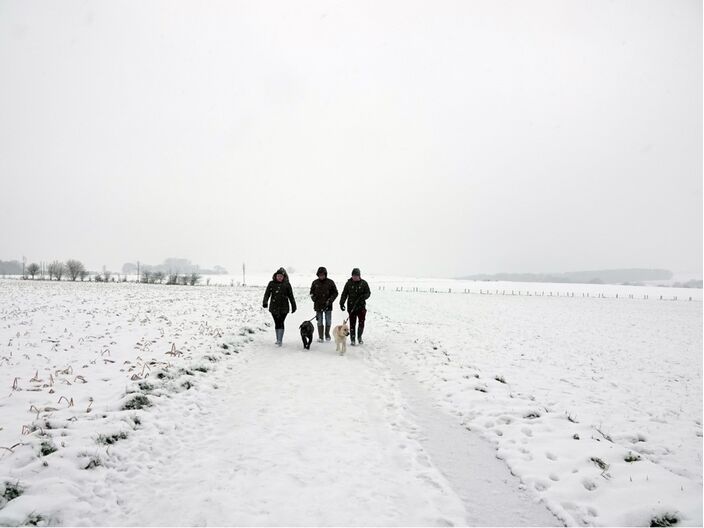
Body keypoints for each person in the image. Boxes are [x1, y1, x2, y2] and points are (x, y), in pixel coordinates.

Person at [262, 267, 296, 346]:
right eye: (278, 276)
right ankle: (278, 339)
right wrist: (265, 302)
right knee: (277, 322)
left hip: (284, 307)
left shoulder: (287, 284)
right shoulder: (271, 283)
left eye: (281, 276)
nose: (279, 277)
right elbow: (267, 294)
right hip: (274, 307)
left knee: (281, 322)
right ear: (275, 276)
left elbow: (291, 296)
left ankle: (280, 340)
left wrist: (293, 305)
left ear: (284, 277)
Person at [339, 267, 371, 345]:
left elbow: (368, 293)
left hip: (361, 307)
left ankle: (359, 337)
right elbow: (344, 294)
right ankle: (352, 339)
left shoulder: (364, 283)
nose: (355, 277)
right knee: (352, 324)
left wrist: (363, 297)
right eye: (353, 276)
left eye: (356, 276)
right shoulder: (348, 283)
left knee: (361, 323)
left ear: (359, 276)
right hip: (351, 307)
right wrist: (341, 303)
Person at [309, 266, 338, 342]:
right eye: (320, 274)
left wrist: (330, 300)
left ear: (325, 274)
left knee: (328, 320)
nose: (321, 276)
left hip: (328, 305)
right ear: (318, 275)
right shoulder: (315, 282)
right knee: (320, 321)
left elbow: (335, 293)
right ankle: (321, 336)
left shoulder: (330, 282)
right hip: (318, 306)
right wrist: (314, 299)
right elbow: (311, 293)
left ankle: (327, 334)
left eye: (323, 274)